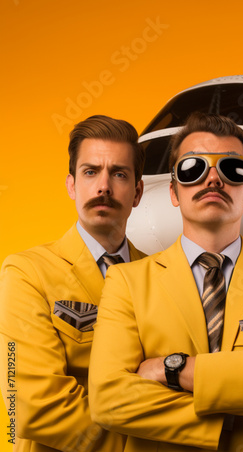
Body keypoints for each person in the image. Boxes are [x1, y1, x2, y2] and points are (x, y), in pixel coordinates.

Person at [89, 112, 243, 452]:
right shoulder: (126, 280)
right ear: (174, 191)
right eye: (193, 169)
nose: (213, 180)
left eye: (232, 170)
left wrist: (171, 369)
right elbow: (109, 400)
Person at [0, 115, 146, 452]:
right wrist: (155, 442)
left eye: (119, 174)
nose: (103, 187)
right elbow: (34, 408)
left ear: (138, 191)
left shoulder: (162, 275)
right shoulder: (25, 273)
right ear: (71, 185)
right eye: (90, 172)